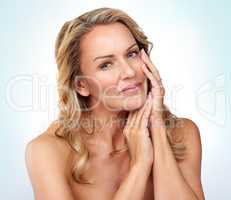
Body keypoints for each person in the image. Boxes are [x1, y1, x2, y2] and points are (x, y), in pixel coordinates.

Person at [25, 7, 205, 200]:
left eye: (132, 54)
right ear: (81, 84)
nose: (129, 72)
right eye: (106, 64)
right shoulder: (48, 151)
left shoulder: (182, 133)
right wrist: (140, 165)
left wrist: (158, 131)